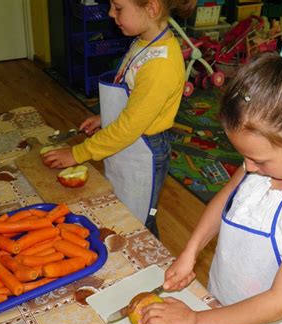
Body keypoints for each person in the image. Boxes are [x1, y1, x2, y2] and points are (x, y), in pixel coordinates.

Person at [138, 26, 282, 324]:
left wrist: (193, 322)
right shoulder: (266, 159)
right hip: (220, 302)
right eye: (244, 157)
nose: (248, 168)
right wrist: (190, 252)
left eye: (258, 160)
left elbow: (279, 302)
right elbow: (224, 202)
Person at [42, 0, 196, 237]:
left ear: (151, 9)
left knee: (139, 219)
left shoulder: (160, 65)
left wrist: (77, 154)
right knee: (120, 204)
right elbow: (135, 99)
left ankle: (149, 265)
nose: (111, 13)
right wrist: (106, 117)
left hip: (143, 151)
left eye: (118, 7)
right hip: (128, 142)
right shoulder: (143, 42)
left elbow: (129, 127)